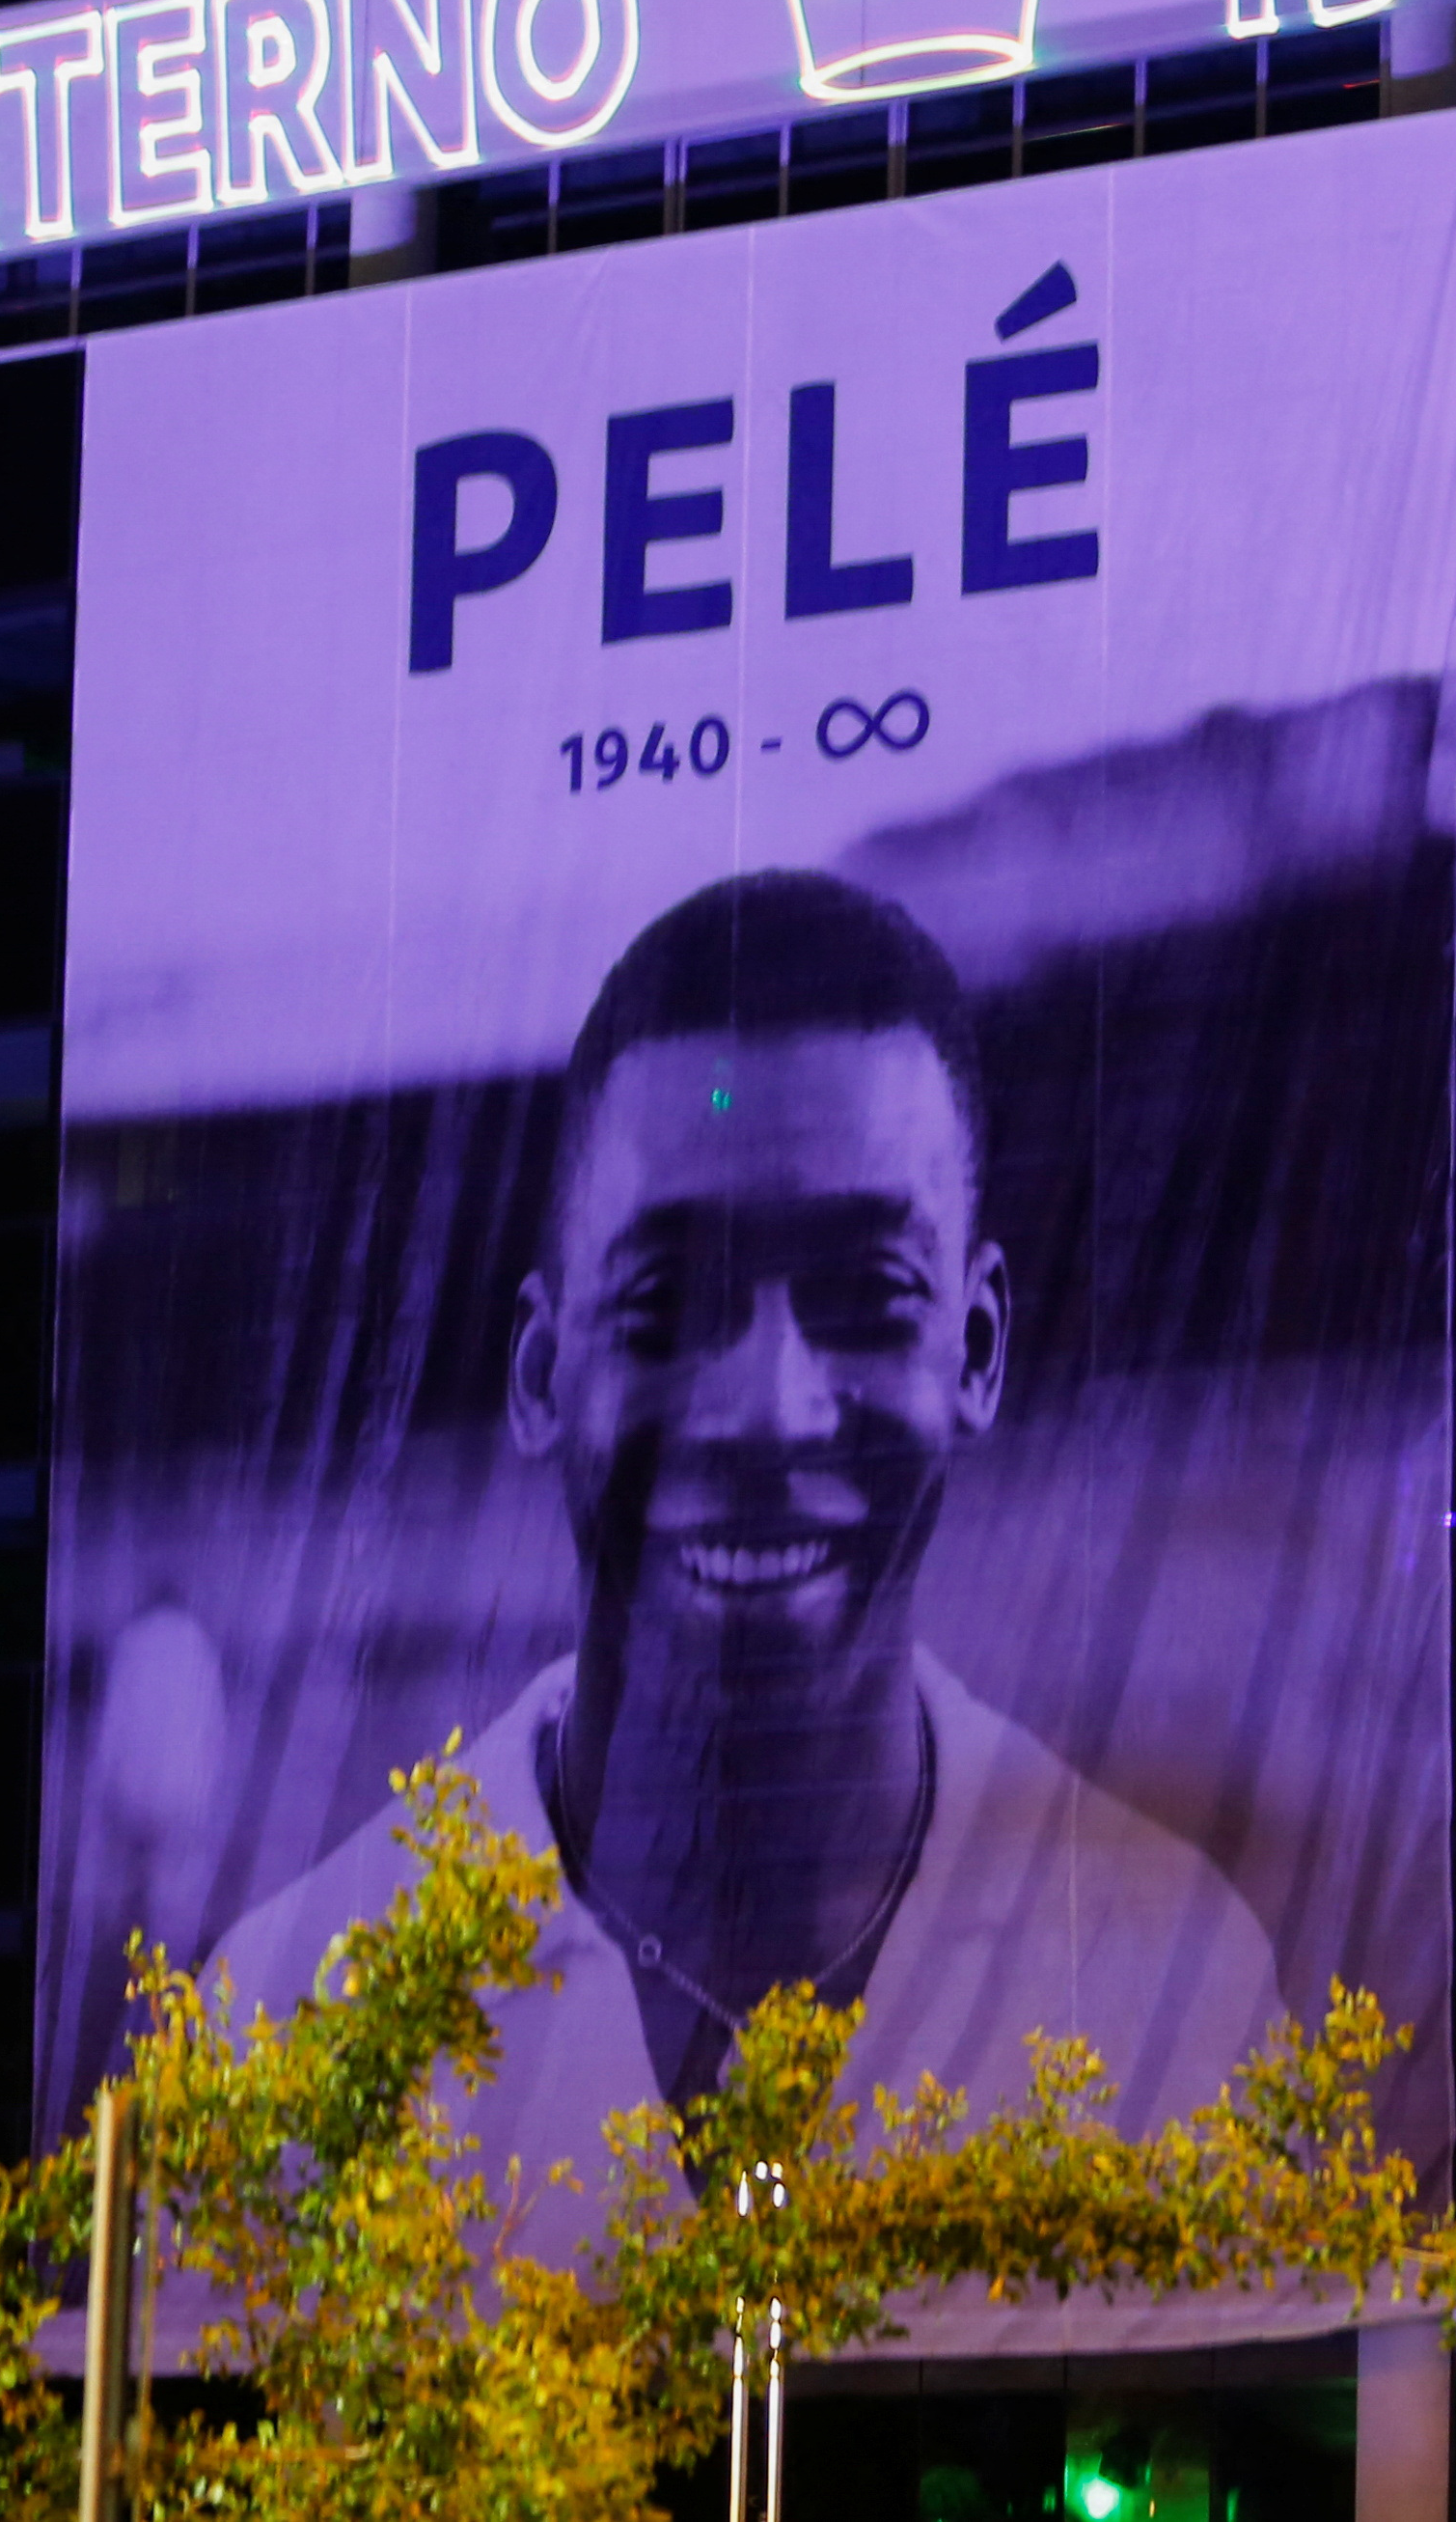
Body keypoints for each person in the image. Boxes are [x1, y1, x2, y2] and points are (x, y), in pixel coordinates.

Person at [203, 869, 1285, 2178]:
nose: (769, 1411)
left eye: (867, 1294)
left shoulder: (1170, 1986)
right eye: (667, 1303)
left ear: (979, 1348)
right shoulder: (300, 2012)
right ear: (545, 1375)